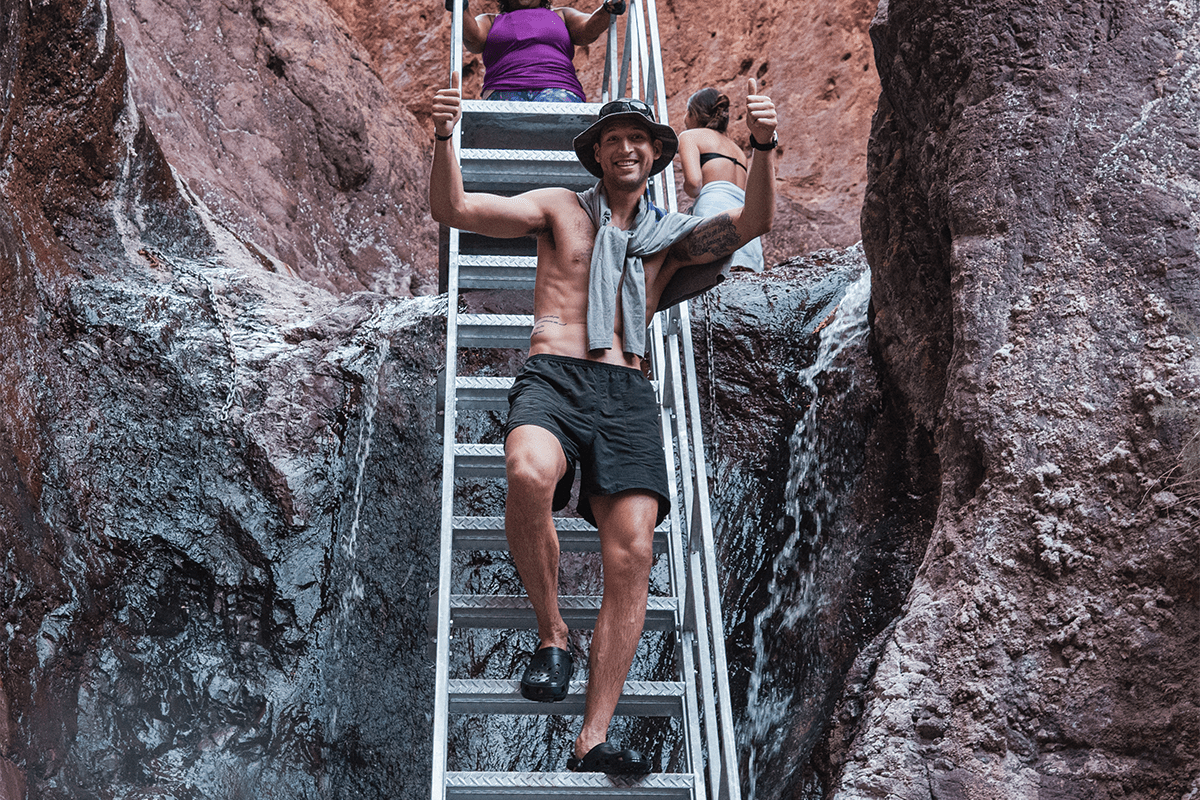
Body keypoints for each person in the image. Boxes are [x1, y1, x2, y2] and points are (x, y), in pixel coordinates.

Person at [430, 71, 777, 774]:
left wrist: (764, 147)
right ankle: (553, 633)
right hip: (554, 375)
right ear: (596, 153)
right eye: (613, 138)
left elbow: (750, 226)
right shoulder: (559, 207)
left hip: (626, 390)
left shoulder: (669, 236)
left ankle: (593, 736)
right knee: (528, 470)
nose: (626, 148)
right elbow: (456, 207)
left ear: (656, 154)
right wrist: (442, 138)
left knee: (634, 553)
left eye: (639, 139)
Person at [450, 0, 626, 102]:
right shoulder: (490, 20)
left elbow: (587, 29)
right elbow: (474, 38)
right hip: (503, 91)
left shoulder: (562, 15)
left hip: (558, 90)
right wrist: (461, 8)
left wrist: (607, 9)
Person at [676, 87, 765, 272]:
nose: (684, 118)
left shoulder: (690, 136)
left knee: (711, 280)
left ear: (694, 114)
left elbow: (694, 184)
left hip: (713, 217)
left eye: (687, 111)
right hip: (745, 227)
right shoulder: (738, 151)